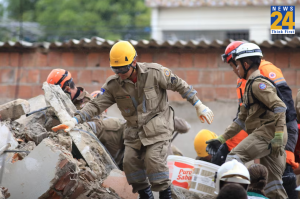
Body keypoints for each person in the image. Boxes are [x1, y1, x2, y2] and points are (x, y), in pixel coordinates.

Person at [52, 41, 214, 199]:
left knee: (154, 162)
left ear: (134, 62)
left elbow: (179, 84)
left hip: (159, 127)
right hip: (134, 131)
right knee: (130, 164)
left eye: (123, 69)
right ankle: (146, 195)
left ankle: (166, 194)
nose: (120, 74)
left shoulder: (154, 73)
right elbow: (96, 105)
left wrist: (198, 104)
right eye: (116, 70)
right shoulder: (114, 85)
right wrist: (74, 120)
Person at [212, 40, 298, 198]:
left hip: (270, 132)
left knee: (233, 159)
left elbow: (282, 106)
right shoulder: (248, 84)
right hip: (270, 132)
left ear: (245, 63)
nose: (235, 69)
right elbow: (241, 119)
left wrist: (279, 135)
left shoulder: (259, 82)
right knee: (274, 184)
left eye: (236, 65)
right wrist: (221, 139)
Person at [46, 69, 126, 168]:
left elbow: (92, 133)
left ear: (67, 88)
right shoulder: (62, 106)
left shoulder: (89, 104)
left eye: (58, 94)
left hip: (97, 156)